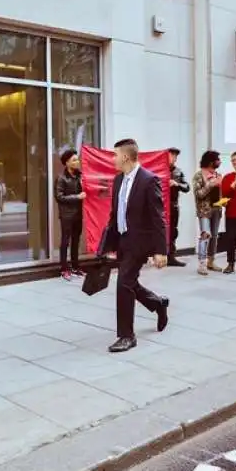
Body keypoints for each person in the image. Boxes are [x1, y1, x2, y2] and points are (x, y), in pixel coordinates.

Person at [99, 138, 169, 354]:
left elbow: (158, 218)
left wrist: (160, 251)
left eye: (115, 154)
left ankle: (126, 336)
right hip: (122, 240)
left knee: (123, 284)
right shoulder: (119, 180)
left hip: (139, 243)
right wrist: (109, 243)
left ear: (126, 157)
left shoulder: (149, 180)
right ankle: (157, 303)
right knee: (130, 284)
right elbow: (115, 214)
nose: (113, 159)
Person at [55, 149, 86, 280]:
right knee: (65, 241)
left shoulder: (81, 176)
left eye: (77, 159)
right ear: (67, 163)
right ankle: (64, 268)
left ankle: (75, 267)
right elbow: (59, 197)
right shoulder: (61, 178)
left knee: (76, 241)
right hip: (67, 215)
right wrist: (77, 197)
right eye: (74, 160)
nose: (77, 162)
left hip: (78, 214)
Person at [192, 150, 224, 275]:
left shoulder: (218, 174)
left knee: (215, 236)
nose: (220, 162)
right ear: (211, 161)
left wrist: (223, 201)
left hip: (217, 209)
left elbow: (220, 193)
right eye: (218, 159)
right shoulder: (199, 176)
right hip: (204, 211)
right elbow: (198, 194)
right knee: (205, 235)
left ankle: (211, 261)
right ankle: (202, 264)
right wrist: (210, 184)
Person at [167, 147, 190, 267]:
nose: (174, 158)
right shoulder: (158, 169)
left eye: (175, 156)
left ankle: (171, 256)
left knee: (173, 232)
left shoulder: (178, 171)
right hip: (159, 206)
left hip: (173, 205)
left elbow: (187, 187)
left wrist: (176, 184)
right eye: (172, 155)